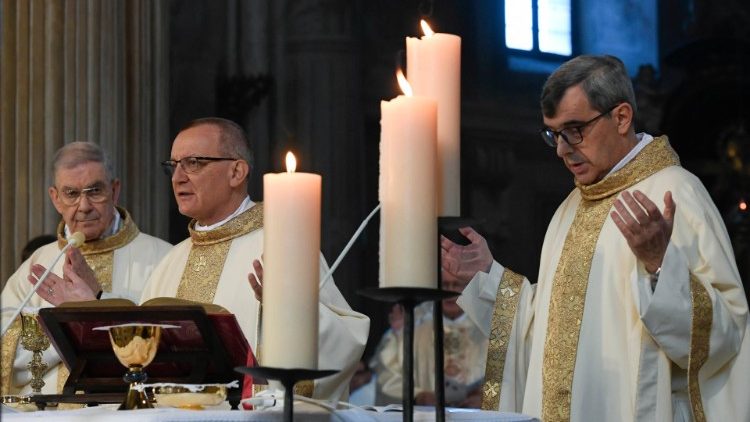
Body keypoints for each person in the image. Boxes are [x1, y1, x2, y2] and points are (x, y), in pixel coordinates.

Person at [444, 55, 750, 421]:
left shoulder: (676, 193)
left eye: (575, 130)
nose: (562, 149)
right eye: (553, 134)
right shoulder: (569, 208)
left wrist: (660, 267)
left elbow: (727, 334)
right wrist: (489, 281)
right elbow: (550, 335)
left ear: (621, 117)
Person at [139, 117, 370, 402]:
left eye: (194, 163)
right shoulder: (170, 263)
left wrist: (288, 308)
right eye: (173, 166)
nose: (178, 177)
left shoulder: (284, 246)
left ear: (236, 172)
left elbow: (343, 342)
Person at [1, 142, 172, 395]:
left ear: (114, 190)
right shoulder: (37, 265)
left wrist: (94, 307)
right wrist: (68, 326)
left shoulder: (163, 259)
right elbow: (6, 350)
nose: (84, 206)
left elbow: (172, 346)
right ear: (55, 198)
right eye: (71, 193)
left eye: (95, 191)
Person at [371, 270, 486, 408]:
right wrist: (417, 396)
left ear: (470, 287)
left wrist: (486, 399)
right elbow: (386, 371)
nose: (450, 291)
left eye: (456, 284)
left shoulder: (489, 322)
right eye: (444, 284)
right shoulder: (411, 320)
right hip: (424, 414)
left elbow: (506, 376)